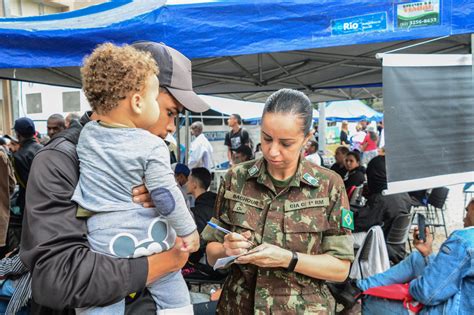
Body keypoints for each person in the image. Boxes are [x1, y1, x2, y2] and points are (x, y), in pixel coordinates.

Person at [20, 41, 209, 314]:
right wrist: (164, 263)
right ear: (137, 98)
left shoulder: (148, 153)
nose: (170, 127)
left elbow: (178, 220)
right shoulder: (60, 160)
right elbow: (56, 278)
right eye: (170, 112)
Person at [71, 43, 199, 315]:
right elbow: (166, 196)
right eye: (158, 103)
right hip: (145, 239)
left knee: (104, 302)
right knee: (173, 290)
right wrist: (189, 231)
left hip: (101, 243)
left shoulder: (85, 137)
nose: (171, 125)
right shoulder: (150, 145)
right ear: (138, 102)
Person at [203, 88, 354, 313]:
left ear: (306, 138)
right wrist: (228, 249)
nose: (273, 151)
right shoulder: (236, 178)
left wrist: (288, 259)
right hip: (238, 307)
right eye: (266, 138)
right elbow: (210, 252)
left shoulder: (329, 185)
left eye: (286, 143)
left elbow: (340, 268)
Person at [354, 199, 474, 314]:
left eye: (467, 211)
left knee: (368, 300)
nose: (464, 217)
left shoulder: (464, 240)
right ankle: (360, 287)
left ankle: (358, 293)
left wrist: (409, 286)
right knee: (418, 258)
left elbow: (427, 293)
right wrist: (428, 253)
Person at [186, 167, 216, 263]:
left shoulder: (197, 211)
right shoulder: (215, 203)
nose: (186, 183)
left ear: (194, 185)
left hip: (204, 263)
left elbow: (198, 243)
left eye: (188, 180)